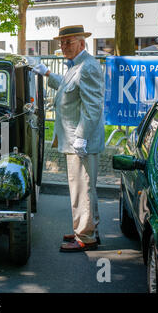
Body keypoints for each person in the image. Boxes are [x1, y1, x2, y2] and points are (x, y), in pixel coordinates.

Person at [33, 25, 105, 252]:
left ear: (82, 43)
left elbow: (92, 107)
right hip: (76, 139)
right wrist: (46, 73)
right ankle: (87, 229)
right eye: (61, 43)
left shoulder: (87, 67)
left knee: (81, 188)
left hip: (80, 141)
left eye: (69, 43)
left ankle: (85, 237)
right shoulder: (78, 65)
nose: (63, 47)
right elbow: (67, 88)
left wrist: (81, 137)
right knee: (84, 187)